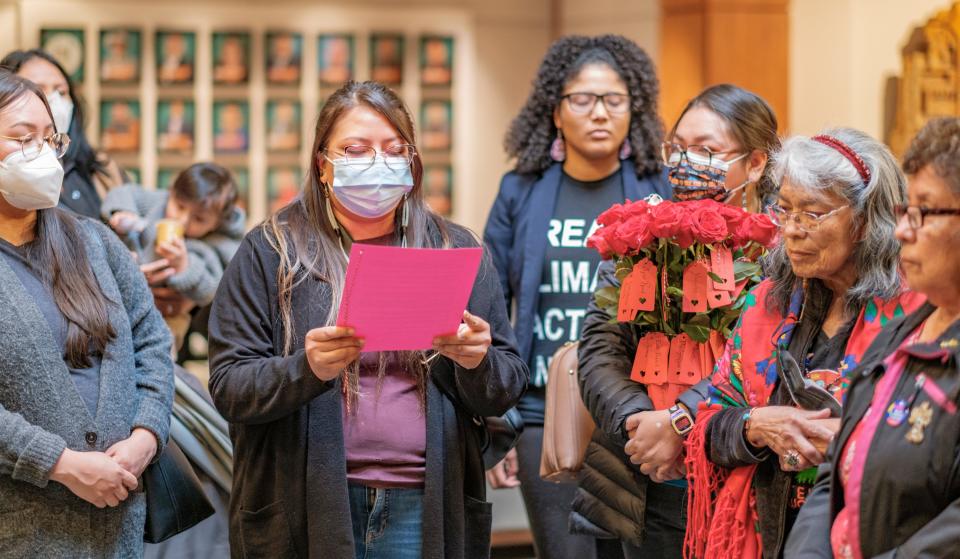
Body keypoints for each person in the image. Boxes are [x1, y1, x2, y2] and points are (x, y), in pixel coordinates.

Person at [207, 80, 527, 558]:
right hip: (305, 501)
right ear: (322, 164)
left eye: (394, 149)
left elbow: (505, 386)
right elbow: (230, 386)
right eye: (355, 150)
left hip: (423, 499)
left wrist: (476, 360)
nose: (378, 163)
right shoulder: (272, 249)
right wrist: (306, 369)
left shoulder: (453, 248)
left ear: (411, 160)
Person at [683, 128, 926, 559]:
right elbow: (709, 422)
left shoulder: (916, 314)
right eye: (784, 209)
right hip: (764, 535)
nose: (791, 230)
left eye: (812, 214)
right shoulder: (766, 305)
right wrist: (756, 425)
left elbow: (933, 441)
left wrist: (848, 440)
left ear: (868, 220)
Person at [572, 83, 780, 559]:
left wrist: (680, 422)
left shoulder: (778, 254)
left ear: (755, 163)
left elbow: (760, 361)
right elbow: (600, 348)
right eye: (679, 147)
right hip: (642, 476)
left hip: (738, 473)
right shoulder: (636, 239)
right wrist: (641, 424)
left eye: (707, 150)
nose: (686, 162)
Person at [483, 34, 669, 559]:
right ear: (556, 111)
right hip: (541, 412)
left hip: (636, 412)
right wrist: (498, 426)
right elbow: (489, 308)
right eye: (582, 100)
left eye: (614, 99)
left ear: (634, 110)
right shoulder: (520, 190)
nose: (599, 113)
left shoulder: (659, 192)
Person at [0, 69, 173, 556]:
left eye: (50, 139)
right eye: (22, 138)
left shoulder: (93, 240)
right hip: (23, 530)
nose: (44, 154)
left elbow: (152, 340)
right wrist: (61, 463)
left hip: (118, 526)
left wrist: (146, 433)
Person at [785, 117, 960, 558]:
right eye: (906, 212)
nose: (903, 231)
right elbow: (837, 469)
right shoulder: (900, 334)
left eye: (925, 212)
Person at [101, 162, 245, 353]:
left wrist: (184, 266)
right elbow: (124, 193)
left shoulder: (211, 245)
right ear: (171, 193)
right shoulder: (158, 202)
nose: (183, 221)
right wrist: (123, 212)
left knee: (158, 352)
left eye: (199, 219)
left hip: (169, 318)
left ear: (215, 224)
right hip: (122, 305)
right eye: (179, 206)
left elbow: (208, 289)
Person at [1, 49, 127, 220]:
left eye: (61, 92)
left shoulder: (101, 168)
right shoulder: (13, 174)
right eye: (38, 89)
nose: (53, 100)